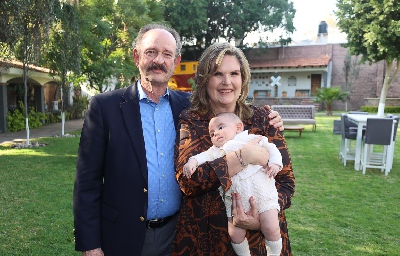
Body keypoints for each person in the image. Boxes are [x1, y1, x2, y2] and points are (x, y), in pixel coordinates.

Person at [73, 23, 283, 256]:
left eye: (167, 54)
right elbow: (87, 182)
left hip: (177, 234)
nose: (158, 60)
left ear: (176, 61)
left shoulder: (188, 108)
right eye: (151, 52)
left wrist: (271, 120)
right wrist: (90, 245)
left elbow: (227, 110)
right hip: (123, 235)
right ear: (136, 56)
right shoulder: (105, 107)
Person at [172, 42, 295, 256]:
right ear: (204, 79)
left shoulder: (263, 119)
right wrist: (242, 157)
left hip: (260, 240)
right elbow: (187, 182)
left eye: (234, 73)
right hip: (206, 239)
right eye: (217, 74)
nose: (226, 82)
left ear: (243, 78)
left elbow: (286, 181)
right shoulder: (191, 121)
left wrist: (263, 214)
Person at [183, 112, 283, 256]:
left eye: (221, 127)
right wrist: (192, 162)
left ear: (238, 127)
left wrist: (275, 164)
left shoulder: (250, 139)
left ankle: (274, 253)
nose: (216, 133)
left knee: (271, 228)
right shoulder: (216, 150)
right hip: (235, 202)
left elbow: (272, 148)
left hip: (262, 194)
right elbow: (201, 157)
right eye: (212, 133)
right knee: (234, 235)